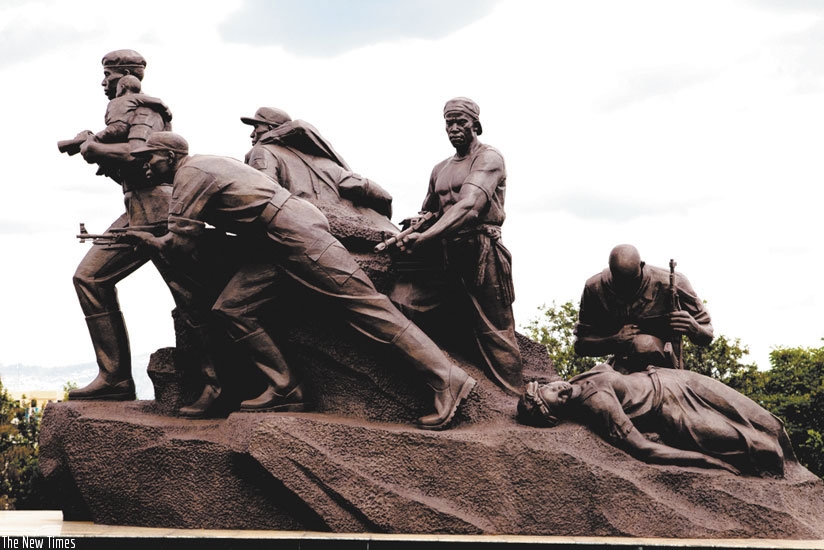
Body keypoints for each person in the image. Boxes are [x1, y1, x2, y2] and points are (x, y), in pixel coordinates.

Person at [129, 132, 476, 430]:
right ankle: (285, 389)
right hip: (271, 242)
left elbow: (180, 245)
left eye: (150, 158)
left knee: (365, 307)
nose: (146, 165)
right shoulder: (202, 165)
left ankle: (446, 377)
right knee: (233, 307)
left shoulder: (189, 172)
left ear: (171, 155)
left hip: (293, 232)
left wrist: (145, 240)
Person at [393, 97, 523, 396]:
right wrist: (417, 223)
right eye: (449, 123)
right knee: (405, 303)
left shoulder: (489, 158)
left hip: (481, 252)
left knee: (496, 333)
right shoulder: (440, 168)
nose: (454, 128)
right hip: (445, 253)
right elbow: (432, 210)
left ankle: (514, 397)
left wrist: (426, 236)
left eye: (460, 122)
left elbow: (470, 206)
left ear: (475, 125)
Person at [68, 49, 175, 401]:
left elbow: (136, 153)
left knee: (194, 298)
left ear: (126, 74)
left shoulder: (146, 111)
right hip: (138, 208)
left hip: (157, 209)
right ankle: (114, 378)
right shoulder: (128, 114)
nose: (103, 82)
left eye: (108, 75)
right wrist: (92, 141)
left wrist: (93, 149)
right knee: (89, 278)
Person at [517, 363, 797, 477]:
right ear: (560, 413)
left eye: (554, 388)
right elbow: (643, 449)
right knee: (761, 449)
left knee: (758, 417)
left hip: (674, 378)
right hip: (676, 412)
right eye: (560, 399)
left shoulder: (580, 378)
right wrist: (707, 461)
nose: (563, 390)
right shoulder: (597, 404)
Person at [574, 244, 713, 373]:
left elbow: (707, 333)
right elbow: (581, 345)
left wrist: (693, 327)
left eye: (631, 282)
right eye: (620, 283)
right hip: (620, 369)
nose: (626, 288)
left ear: (641, 265)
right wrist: (613, 341)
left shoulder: (673, 282)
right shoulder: (594, 288)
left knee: (643, 344)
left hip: (663, 366)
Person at [241, 107, 394, 221]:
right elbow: (381, 195)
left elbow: (262, 196)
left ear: (270, 128)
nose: (252, 134)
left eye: (256, 127)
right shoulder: (325, 163)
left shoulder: (263, 151)